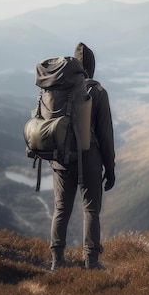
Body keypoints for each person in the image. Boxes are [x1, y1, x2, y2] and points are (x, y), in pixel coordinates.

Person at [50, 42, 116, 271]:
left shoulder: (57, 89)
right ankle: (92, 260)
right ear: (92, 67)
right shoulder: (97, 92)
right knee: (90, 210)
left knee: (61, 209)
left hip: (60, 158)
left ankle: (57, 260)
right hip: (89, 160)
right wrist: (110, 168)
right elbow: (106, 134)